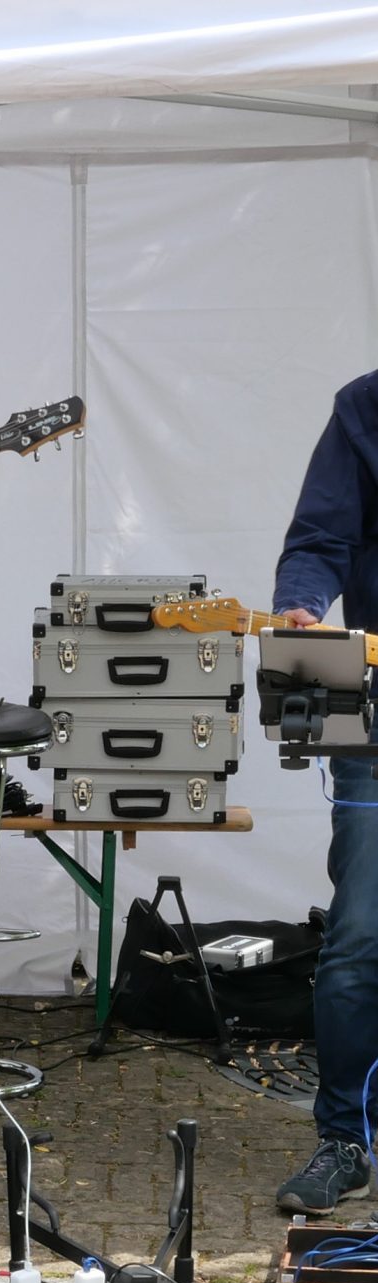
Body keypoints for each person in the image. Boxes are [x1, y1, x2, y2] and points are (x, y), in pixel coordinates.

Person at [273, 369, 378, 1215]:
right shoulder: (364, 407)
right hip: (373, 713)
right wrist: (301, 607)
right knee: (357, 939)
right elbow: (317, 536)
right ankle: (344, 1137)